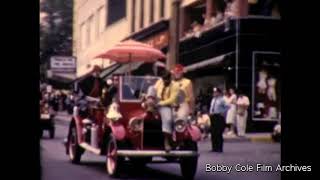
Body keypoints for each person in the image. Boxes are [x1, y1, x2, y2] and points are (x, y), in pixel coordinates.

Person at [153, 70, 180, 151]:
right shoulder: (159, 82)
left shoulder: (175, 85)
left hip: (166, 105)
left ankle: (167, 141)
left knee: (168, 119)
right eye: (164, 79)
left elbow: (172, 99)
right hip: (155, 103)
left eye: (167, 79)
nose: (165, 81)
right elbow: (154, 90)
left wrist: (161, 103)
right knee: (150, 88)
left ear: (170, 78)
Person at [209, 87, 228, 152]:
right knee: (213, 133)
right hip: (213, 116)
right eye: (213, 92)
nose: (214, 93)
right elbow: (211, 107)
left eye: (215, 92)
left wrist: (222, 112)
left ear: (219, 93)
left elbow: (227, 107)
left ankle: (219, 148)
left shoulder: (222, 100)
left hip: (219, 117)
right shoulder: (213, 99)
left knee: (218, 133)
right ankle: (214, 147)